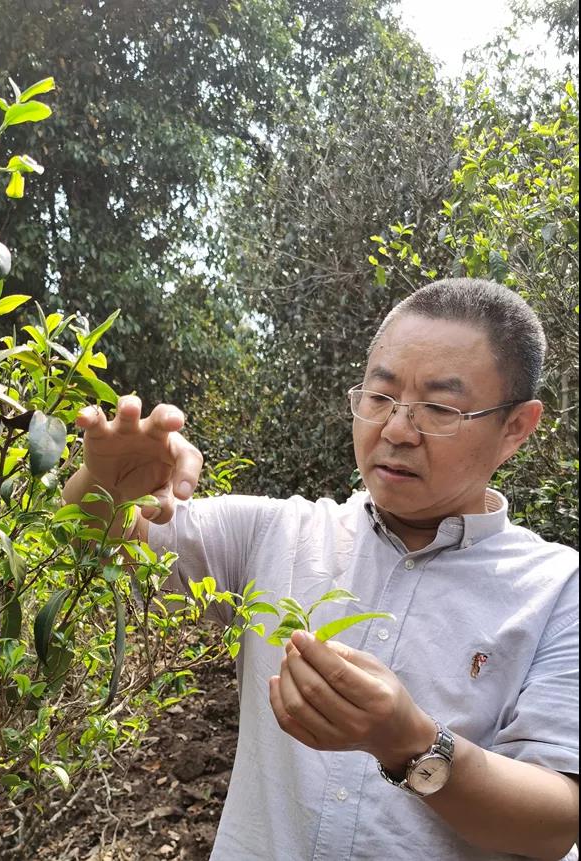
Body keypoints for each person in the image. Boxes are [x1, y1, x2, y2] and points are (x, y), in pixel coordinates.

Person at [62, 278, 579, 860]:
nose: (396, 430)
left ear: (516, 426)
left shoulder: (558, 589)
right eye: (380, 397)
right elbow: (100, 547)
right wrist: (101, 488)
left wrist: (409, 743)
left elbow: (558, 820)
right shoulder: (275, 533)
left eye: (439, 407)